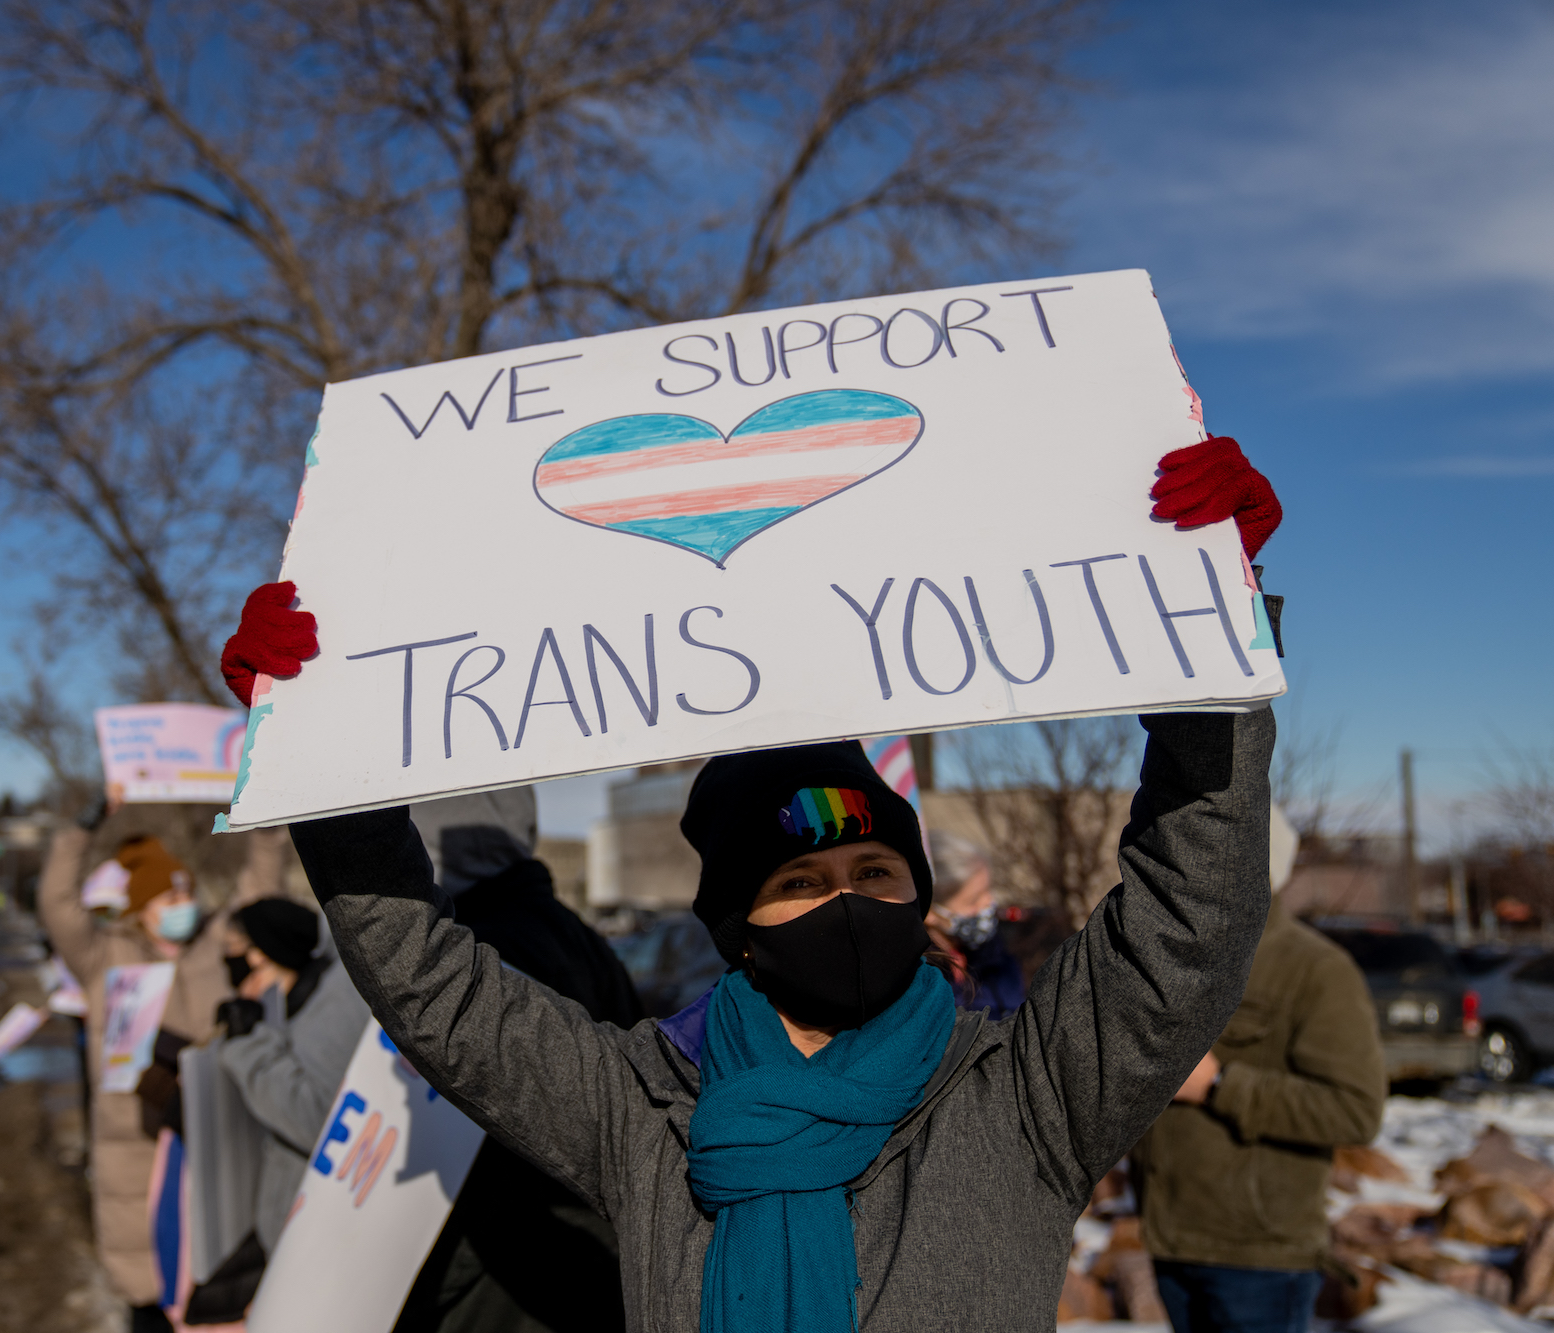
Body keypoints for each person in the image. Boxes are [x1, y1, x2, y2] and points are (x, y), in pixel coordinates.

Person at [218, 434, 1283, 1330]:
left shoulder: (1028, 1088)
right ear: (740, 929)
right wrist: (326, 763)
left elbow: (1182, 916)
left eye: (874, 869)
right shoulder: (638, 1109)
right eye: (802, 880)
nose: (849, 901)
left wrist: (1207, 664)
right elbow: (430, 986)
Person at [393, 790, 642, 1333]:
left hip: (512, 1270)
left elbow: (480, 1162)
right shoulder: (576, 935)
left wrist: (420, 1288)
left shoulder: (471, 953)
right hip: (589, 1254)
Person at [1130, 805, 1386, 1333]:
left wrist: (1220, 1085)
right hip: (1170, 1236)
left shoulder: (1315, 969)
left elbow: (1355, 1110)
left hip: (1260, 1257)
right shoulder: (1164, 956)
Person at [40, 828, 205, 1329]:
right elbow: (57, 904)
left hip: (205, 1145)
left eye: (187, 893)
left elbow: (260, 891)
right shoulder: (105, 955)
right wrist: (78, 835)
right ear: (143, 905)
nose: (183, 905)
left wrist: (266, 835)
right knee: (149, 1294)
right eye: (170, 896)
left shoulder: (210, 951)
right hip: (134, 1150)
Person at [182, 896, 372, 1324]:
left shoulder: (333, 1008)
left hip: (324, 1241)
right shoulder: (302, 998)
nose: (243, 981)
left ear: (270, 954)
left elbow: (317, 1120)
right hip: (297, 1232)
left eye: (249, 965)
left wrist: (249, 1048)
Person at [923, 832, 1025, 1018]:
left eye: (988, 891)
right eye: (973, 901)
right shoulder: (920, 978)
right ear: (930, 911)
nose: (988, 904)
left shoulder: (999, 961)